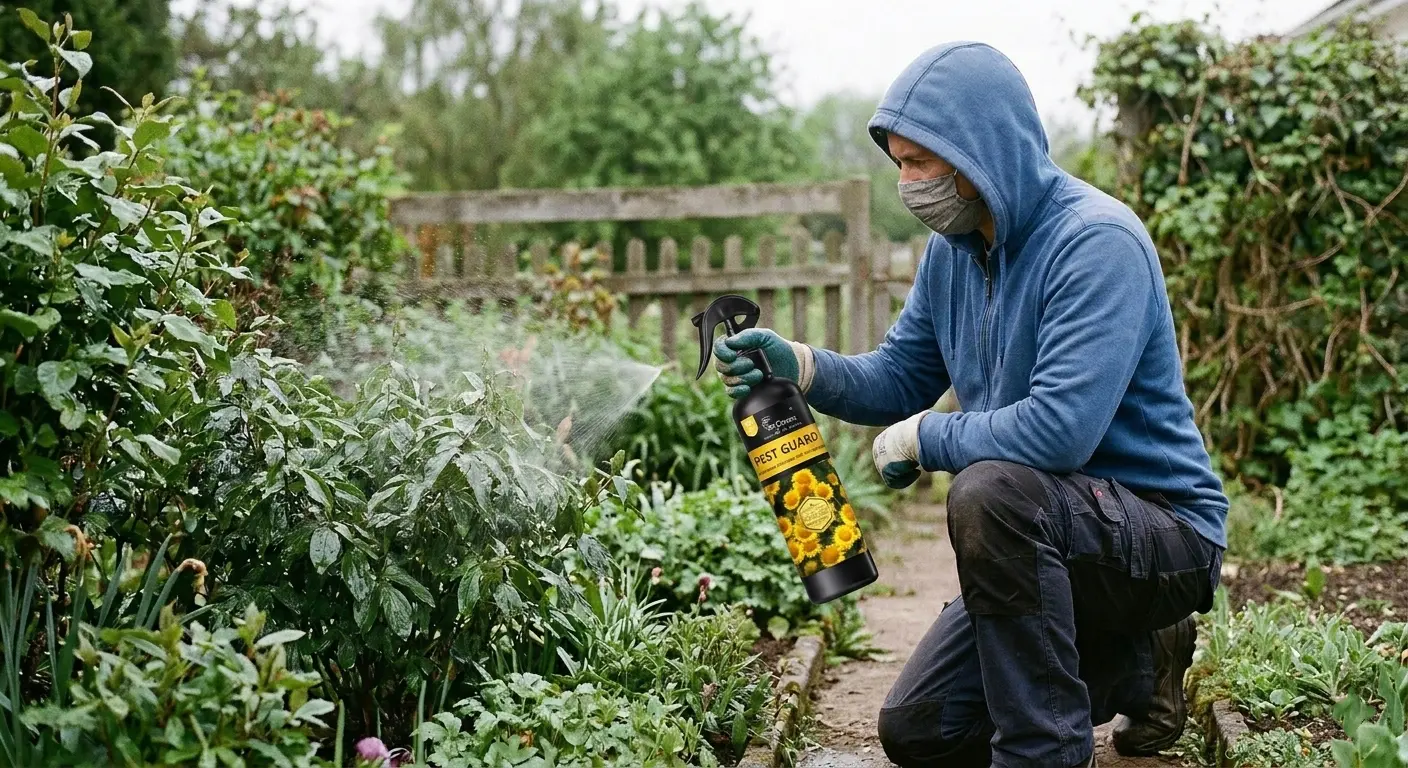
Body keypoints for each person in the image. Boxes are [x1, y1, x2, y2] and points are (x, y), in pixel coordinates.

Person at [713, 42, 1228, 768]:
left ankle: (1044, 750)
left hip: (1162, 533)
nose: (908, 184)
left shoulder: (1095, 243)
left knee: (990, 491)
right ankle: (1137, 660)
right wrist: (800, 366)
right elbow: (898, 376)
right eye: (898, 165)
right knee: (918, 728)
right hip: (1055, 532)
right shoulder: (952, 253)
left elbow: (1058, 433)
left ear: (981, 152)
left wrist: (928, 437)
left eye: (921, 163)